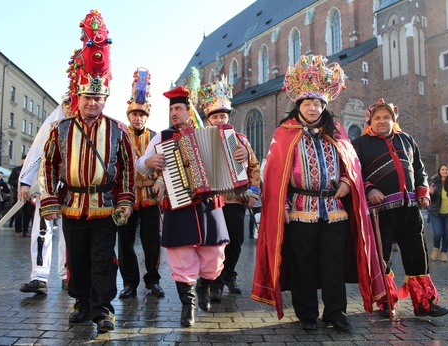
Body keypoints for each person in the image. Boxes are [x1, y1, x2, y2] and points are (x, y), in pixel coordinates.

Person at [252, 54, 385, 332]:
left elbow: (353, 164)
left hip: (335, 211)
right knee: (304, 264)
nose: (312, 108)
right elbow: (276, 175)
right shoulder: (284, 133)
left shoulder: (336, 132)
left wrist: (348, 180)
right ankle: (307, 314)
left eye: (317, 103)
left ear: (324, 106)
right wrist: (283, 206)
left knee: (333, 264)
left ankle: (335, 313)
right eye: (307, 103)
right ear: (298, 105)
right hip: (300, 209)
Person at [39, 10, 135, 333]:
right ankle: (81, 303)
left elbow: (127, 170)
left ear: (105, 98)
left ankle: (103, 310)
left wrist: (125, 200)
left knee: (103, 259)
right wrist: (50, 197)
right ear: (78, 96)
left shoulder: (118, 131)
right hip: (72, 205)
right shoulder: (60, 130)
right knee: (76, 260)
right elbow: (48, 163)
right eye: (88, 97)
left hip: (105, 205)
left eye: (98, 97)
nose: (93, 102)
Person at [136, 85, 248, 327]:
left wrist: (243, 156)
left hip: (209, 205)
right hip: (179, 206)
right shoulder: (162, 137)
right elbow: (140, 164)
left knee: (215, 257)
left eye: (178, 108)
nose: (174, 113)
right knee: (180, 256)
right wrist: (149, 160)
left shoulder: (212, 132)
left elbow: (237, 158)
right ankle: (188, 305)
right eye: (171, 109)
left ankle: (204, 286)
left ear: (189, 110)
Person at [352, 98, 448, 318]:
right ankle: (386, 300)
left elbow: (419, 170)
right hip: (381, 211)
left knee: (418, 254)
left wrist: (423, 192)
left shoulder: (406, 139)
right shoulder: (360, 144)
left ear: (393, 119)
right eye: (377, 118)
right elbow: (354, 175)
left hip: (410, 208)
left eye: (386, 118)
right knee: (382, 256)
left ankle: (424, 302)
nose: (382, 121)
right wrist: (369, 190)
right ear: (370, 120)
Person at [198, 76, 261, 303]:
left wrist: (253, 191)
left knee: (235, 241)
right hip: (209, 201)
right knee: (214, 243)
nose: (220, 120)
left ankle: (230, 275)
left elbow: (254, 167)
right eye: (215, 116)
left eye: (223, 116)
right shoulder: (197, 139)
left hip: (235, 199)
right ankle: (214, 281)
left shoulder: (241, 139)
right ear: (209, 120)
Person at [118, 67, 164, 299]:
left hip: (150, 197)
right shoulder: (118, 136)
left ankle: (153, 280)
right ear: (129, 116)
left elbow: (166, 164)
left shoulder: (156, 137)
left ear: (147, 116)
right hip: (126, 197)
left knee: (151, 242)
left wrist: (162, 181)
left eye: (142, 115)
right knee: (125, 242)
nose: (138, 118)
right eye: (134, 114)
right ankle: (129, 282)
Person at [18, 99, 72, 295]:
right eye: (67, 104)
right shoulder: (51, 128)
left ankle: (67, 274)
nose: (70, 108)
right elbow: (36, 155)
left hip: (72, 189)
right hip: (48, 187)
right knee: (42, 232)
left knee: (69, 234)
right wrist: (25, 181)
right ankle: (39, 276)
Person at [9, 155, 35, 238]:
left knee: (28, 214)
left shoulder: (32, 169)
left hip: (29, 196)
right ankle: (18, 231)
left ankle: (25, 231)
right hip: (18, 195)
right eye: (24, 160)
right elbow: (10, 181)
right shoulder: (16, 170)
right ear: (22, 160)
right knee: (18, 214)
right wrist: (21, 182)